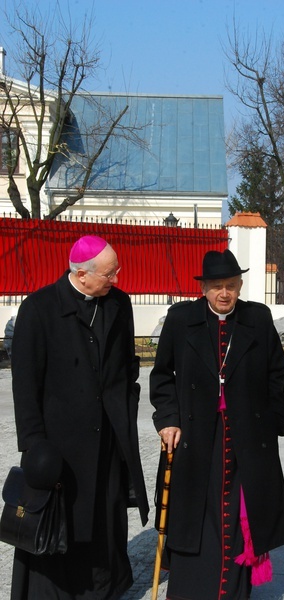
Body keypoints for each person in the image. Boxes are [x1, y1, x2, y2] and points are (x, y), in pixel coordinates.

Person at [10, 235, 149, 599]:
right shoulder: (39, 309)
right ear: (82, 274)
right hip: (60, 446)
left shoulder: (119, 304)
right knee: (63, 522)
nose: (116, 279)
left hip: (107, 442)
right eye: (109, 274)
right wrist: (34, 445)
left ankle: (103, 588)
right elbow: (25, 385)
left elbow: (127, 366)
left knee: (105, 517)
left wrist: (126, 404)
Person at [150, 249, 284, 600]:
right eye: (216, 286)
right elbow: (161, 375)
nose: (224, 293)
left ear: (240, 285)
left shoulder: (257, 318)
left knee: (237, 514)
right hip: (195, 435)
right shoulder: (181, 319)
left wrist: (272, 420)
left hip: (246, 434)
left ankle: (232, 592)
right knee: (195, 512)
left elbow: (277, 371)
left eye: (231, 285)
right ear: (204, 288)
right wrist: (168, 419)